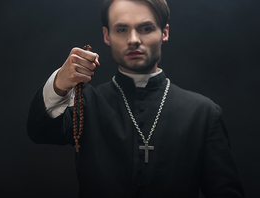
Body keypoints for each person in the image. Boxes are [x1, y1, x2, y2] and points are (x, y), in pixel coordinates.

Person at [27, 0, 245, 197]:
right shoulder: (86, 103)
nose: (133, 40)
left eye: (146, 28)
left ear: (164, 32)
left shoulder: (203, 112)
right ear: (107, 35)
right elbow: (40, 131)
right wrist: (60, 84)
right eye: (121, 29)